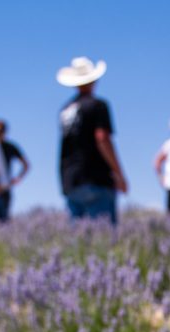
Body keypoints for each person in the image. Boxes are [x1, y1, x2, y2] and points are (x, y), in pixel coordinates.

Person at [56, 57, 128, 224]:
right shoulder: (97, 105)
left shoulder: (65, 110)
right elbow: (102, 139)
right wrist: (119, 174)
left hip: (70, 181)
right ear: (93, 80)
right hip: (96, 179)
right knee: (103, 237)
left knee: (80, 241)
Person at [0, 120, 30, 216]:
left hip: (5, 186)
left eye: (1, 130)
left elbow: (26, 165)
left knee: (3, 218)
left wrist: (18, 178)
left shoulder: (10, 147)